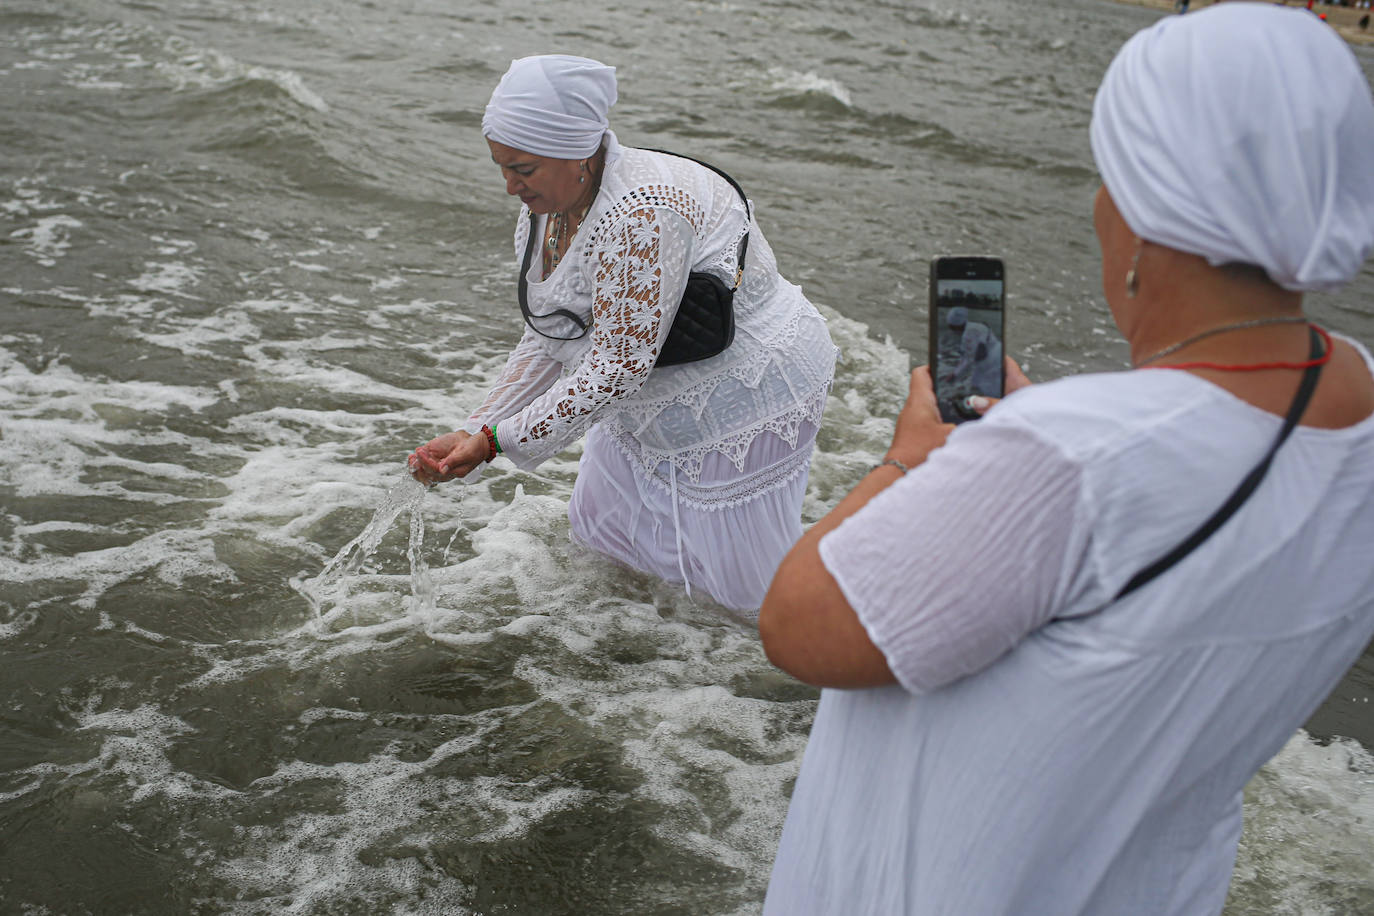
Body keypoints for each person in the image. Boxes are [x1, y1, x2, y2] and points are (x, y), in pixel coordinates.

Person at [758, 4, 1374, 913]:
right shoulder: (1354, 395)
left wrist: (909, 460)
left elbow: (798, 627)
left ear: (1140, 217)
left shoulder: (1068, 457)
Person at [408, 55, 837, 617]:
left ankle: (801, 676)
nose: (510, 185)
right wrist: (474, 427)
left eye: (524, 169)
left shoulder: (640, 214)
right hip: (652, 377)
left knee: (743, 593)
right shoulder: (548, 208)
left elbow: (617, 367)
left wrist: (496, 443)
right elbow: (551, 336)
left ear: (577, 152)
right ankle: (641, 652)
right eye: (501, 166)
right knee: (606, 540)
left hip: (747, 391)